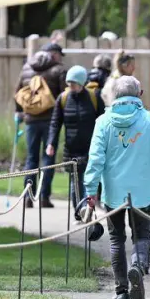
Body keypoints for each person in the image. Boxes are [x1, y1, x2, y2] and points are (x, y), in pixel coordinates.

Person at [83, 76, 150, 299]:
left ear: (115, 96)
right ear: (140, 94)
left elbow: (95, 159)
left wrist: (90, 190)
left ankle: (122, 290)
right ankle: (138, 266)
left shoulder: (103, 122)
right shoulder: (149, 119)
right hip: (142, 189)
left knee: (116, 239)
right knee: (142, 236)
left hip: (114, 191)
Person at [15, 49, 67, 208]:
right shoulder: (58, 70)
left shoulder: (26, 69)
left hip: (30, 120)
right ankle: (44, 197)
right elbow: (64, 96)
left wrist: (18, 112)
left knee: (31, 158)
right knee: (48, 159)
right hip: (51, 121)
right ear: (53, 56)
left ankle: (28, 197)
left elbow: (18, 93)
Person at [46, 65, 101, 212]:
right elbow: (55, 123)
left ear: (82, 83)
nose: (71, 87)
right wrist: (51, 143)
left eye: (74, 84)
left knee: (89, 180)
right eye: (69, 84)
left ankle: (87, 209)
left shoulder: (94, 97)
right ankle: (78, 211)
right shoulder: (62, 99)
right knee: (74, 182)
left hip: (91, 147)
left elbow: (103, 121)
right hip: (71, 149)